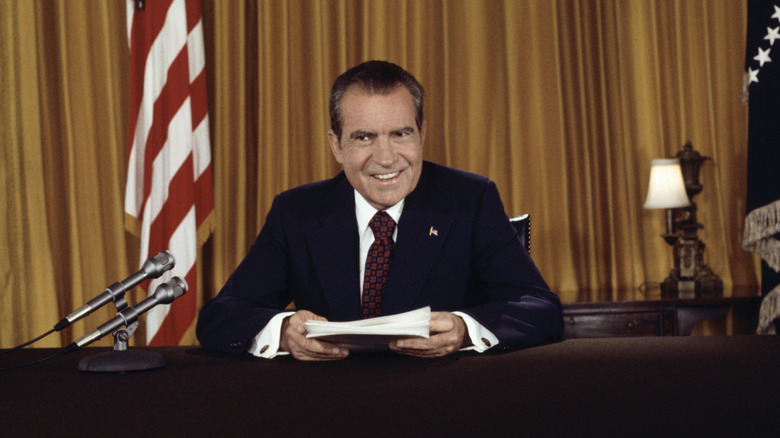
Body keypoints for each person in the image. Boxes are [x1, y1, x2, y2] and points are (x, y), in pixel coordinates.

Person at [196, 60, 563, 361]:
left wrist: (464, 328)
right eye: (363, 137)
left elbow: (541, 308)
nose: (386, 158)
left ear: (421, 134)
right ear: (337, 145)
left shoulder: (471, 199)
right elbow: (220, 317)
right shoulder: (296, 212)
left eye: (400, 134)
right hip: (329, 410)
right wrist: (283, 331)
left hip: (443, 405)